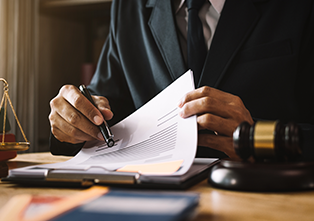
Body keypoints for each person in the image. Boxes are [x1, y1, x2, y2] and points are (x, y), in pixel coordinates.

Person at [49, 0, 314, 159]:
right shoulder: (129, 7)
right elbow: (105, 109)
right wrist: (73, 119)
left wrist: (258, 139)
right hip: (153, 201)